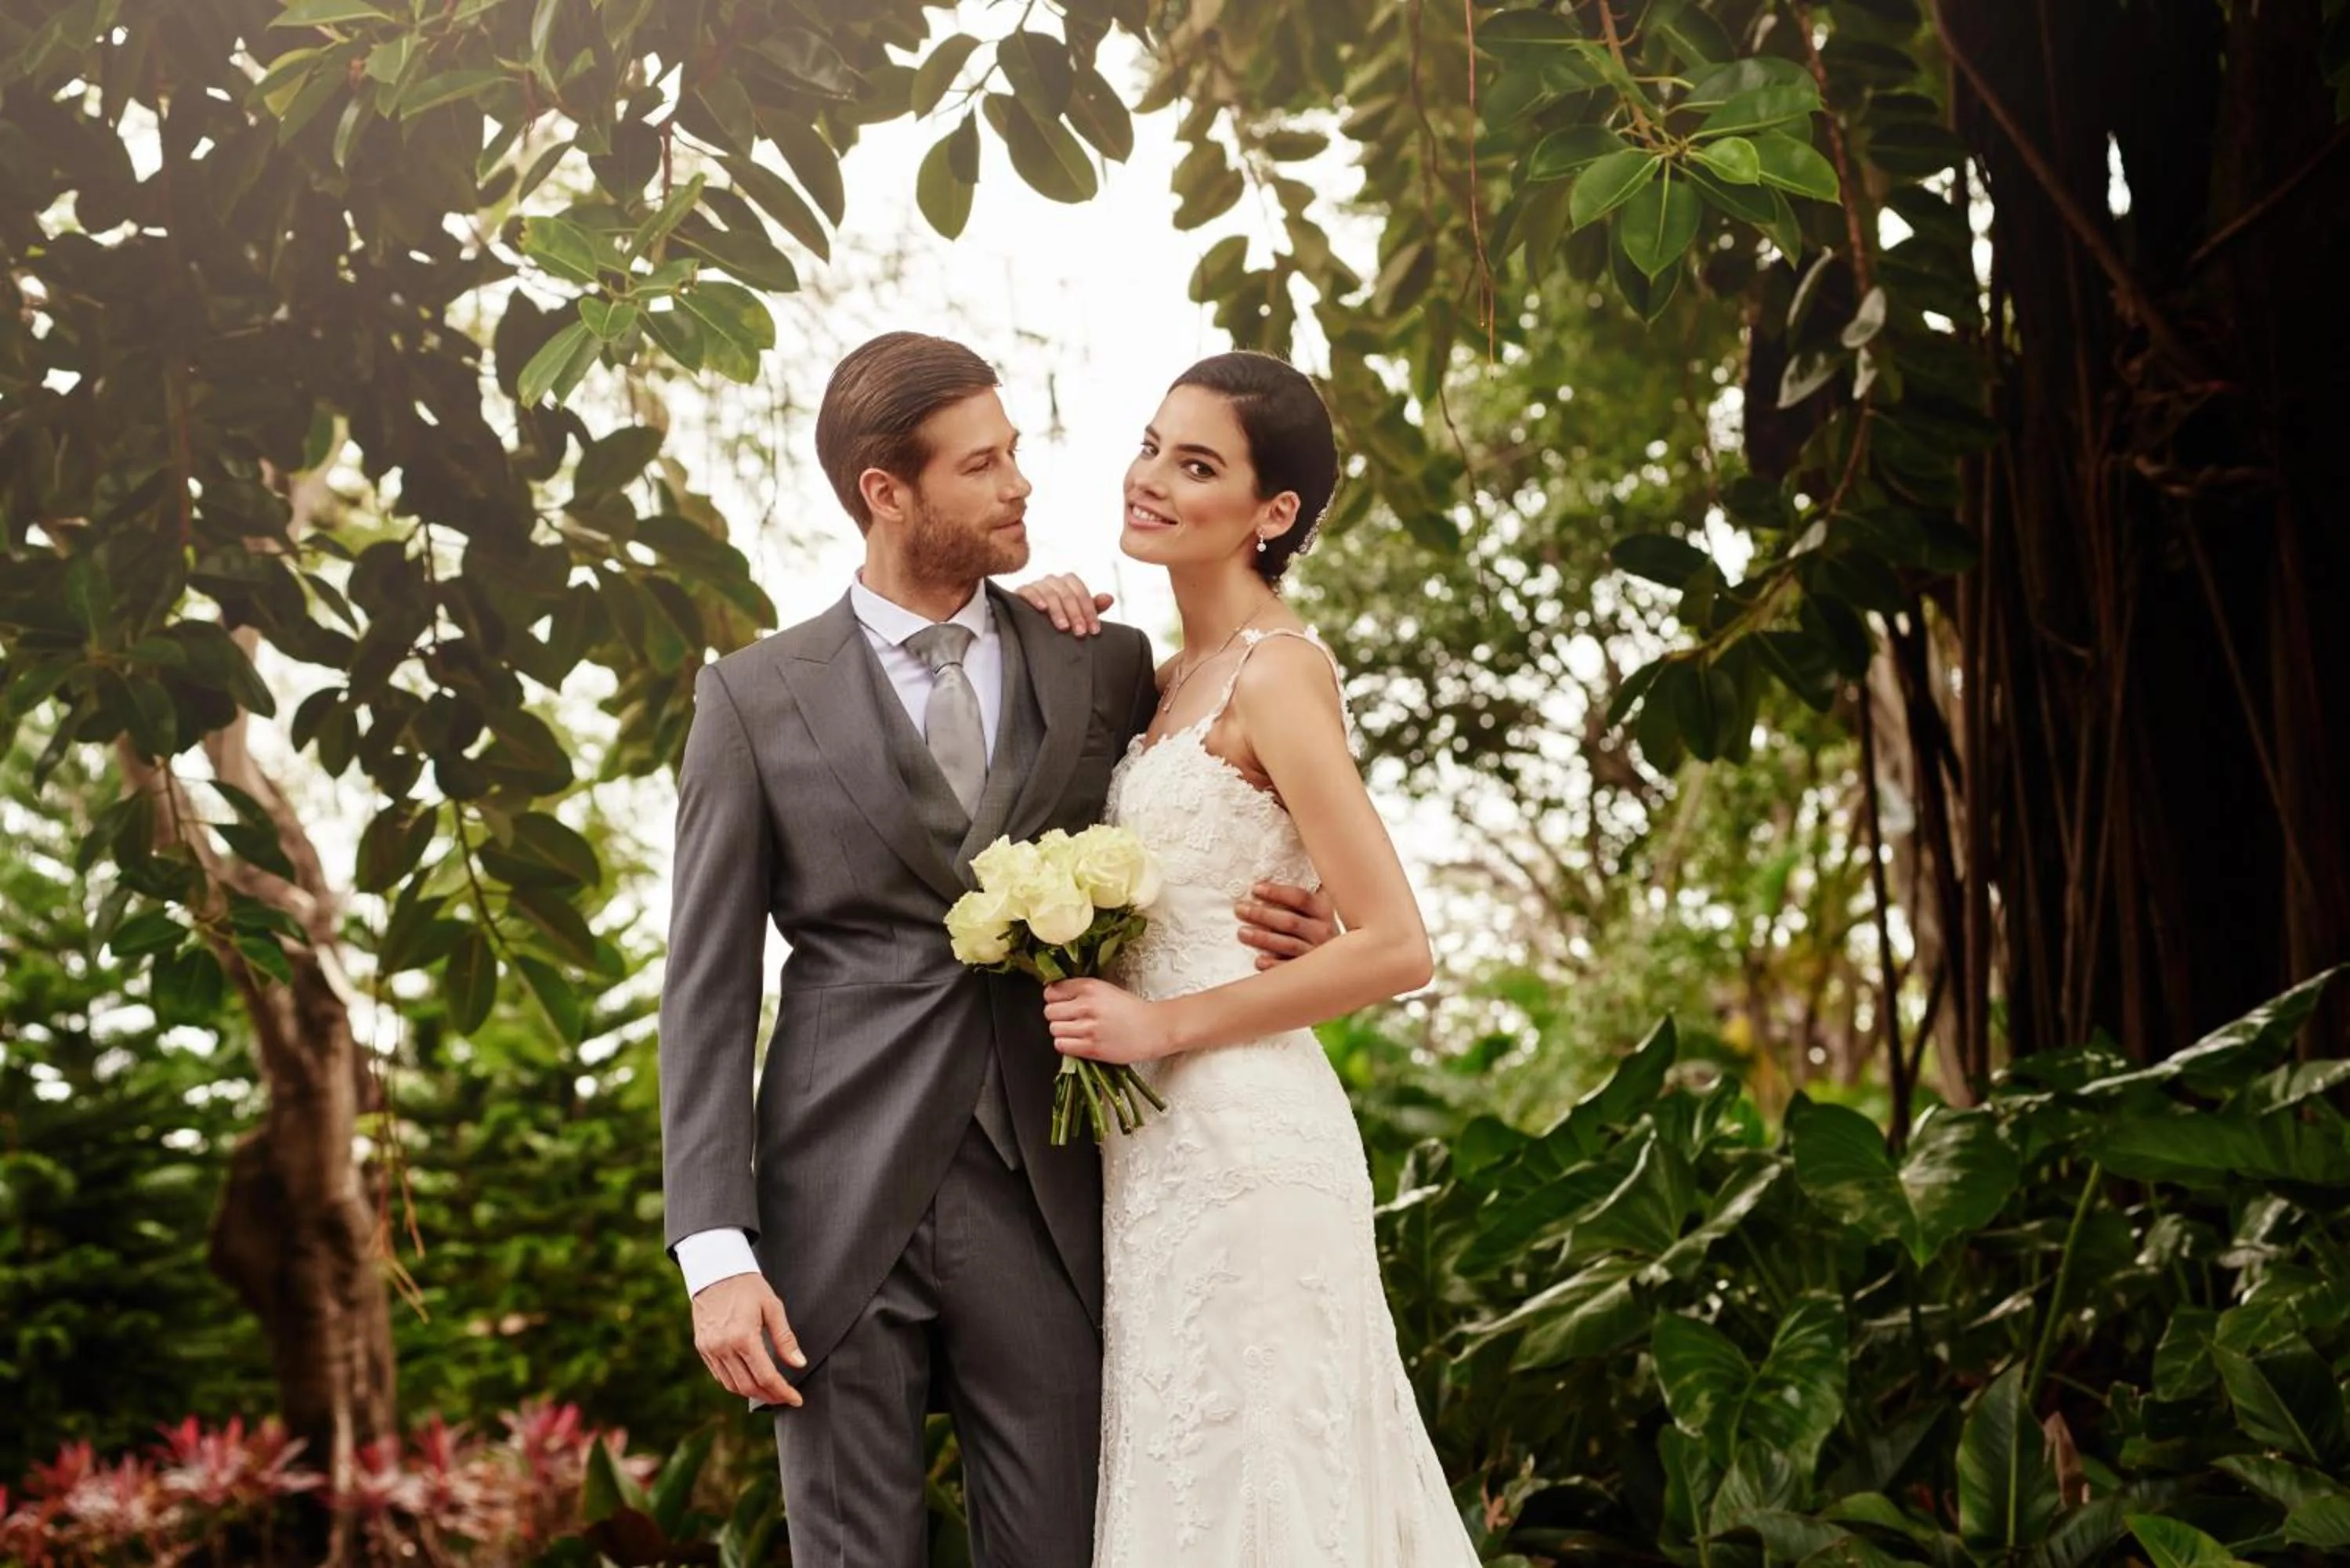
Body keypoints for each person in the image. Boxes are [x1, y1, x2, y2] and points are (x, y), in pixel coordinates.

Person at [656, 331, 1335, 1568]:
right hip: (830, 1203)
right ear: (887, 490)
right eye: (983, 466)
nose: (1021, 483)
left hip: (1049, 1188)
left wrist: (1308, 914)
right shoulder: (752, 698)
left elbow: (1229, 800)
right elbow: (703, 987)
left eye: (1016, 452)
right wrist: (714, 1248)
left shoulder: (1101, 664)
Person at [1029, 350, 1483, 1565]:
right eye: (1150, 445)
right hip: (1152, 1154)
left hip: (1244, 1134)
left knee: (1269, 1486)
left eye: (1198, 464)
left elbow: (1397, 943)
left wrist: (1159, 1027)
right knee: (1189, 1484)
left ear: (1272, 513)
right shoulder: (1162, 682)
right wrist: (1036, 619)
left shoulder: (1280, 673)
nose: (1152, 480)